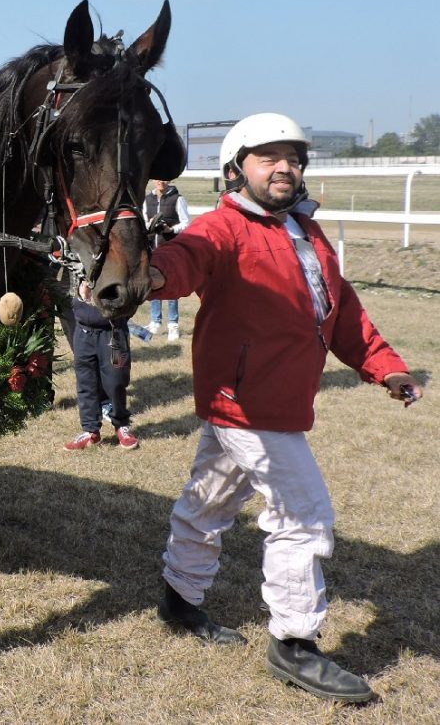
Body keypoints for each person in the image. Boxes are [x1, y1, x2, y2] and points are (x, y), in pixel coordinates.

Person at [147, 113, 425, 703]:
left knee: (210, 500)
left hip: (264, 403)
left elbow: (342, 311)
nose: (284, 168)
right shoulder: (222, 229)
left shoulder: (306, 232)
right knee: (303, 516)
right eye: (267, 157)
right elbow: (179, 262)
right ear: (234, 170)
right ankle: (294, 644)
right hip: (249, 406)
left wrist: (386, 365)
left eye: (292, 158)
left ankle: (179, 597)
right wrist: (142, 273)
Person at [64, 281, 139, 451]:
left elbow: (135, 290)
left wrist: (119, 314)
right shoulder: (77, 257)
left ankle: (121, 425)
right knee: (86, 382)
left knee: (116, 380)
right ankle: (91, 431)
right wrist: (79, 293)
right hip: (83, 332)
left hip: (113, 332)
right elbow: (66, 284)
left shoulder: (115, 258)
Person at [143, 179, 190, 341]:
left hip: (170, 251)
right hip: (152, 250)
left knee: (171, 286)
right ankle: (155, 321)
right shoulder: (147, 199)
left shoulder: (178, 199)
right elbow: (143, 221)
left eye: (164, 179)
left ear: (169, 180)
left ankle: (173, 324)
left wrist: (171, 229)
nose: (160, 182)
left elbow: (186, 223)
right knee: (154, 284)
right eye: (157, 179)